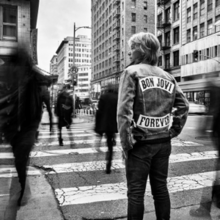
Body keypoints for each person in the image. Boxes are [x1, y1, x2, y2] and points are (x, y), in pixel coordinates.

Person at [117, 32, 189, 220]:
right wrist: (173, 130)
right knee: (160, 189)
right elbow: (184, 105)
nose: (129, 53)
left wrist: (126, 144)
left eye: (132, 48)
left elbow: (124, 113)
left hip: (140, 144)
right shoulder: (168, 77)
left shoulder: (131, 72)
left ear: (141, 50)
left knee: (136, 193)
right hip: (163, 142)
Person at [0, 49, 52, 207]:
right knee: (18, 159)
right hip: (13, 125)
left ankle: (23, 189)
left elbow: (47, 101)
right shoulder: (10, 75)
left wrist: (49, 126)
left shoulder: (35, 80)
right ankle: (24, 185)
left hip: (28, 126)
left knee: (21, 158)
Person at [189, 80, 220, 218]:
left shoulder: (215, 89)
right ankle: (205, 207)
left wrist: (203, 128)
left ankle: (205, 208)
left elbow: (214, 110)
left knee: (218, 175)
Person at [94, 84, 118, 174]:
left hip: (104, 124)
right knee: (110, 145)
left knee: (108, 142)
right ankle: (109, 163)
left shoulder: (103, 97)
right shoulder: (117, 97)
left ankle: (107, 163)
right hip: (113, 125)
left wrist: (97, 127)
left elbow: (99, 112)